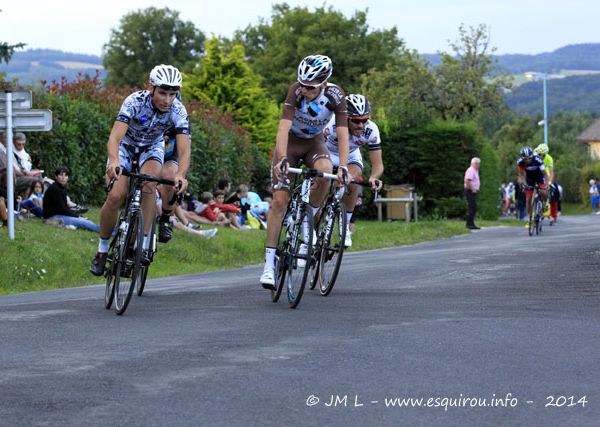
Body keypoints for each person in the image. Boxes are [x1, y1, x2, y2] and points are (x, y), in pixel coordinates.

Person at [90, 64, 190, 276]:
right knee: (116, 196)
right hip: (126, 146)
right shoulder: (135, 101)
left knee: (149, 184)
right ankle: (102, 250)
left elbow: (184, 148)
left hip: (151, 147)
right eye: (163, 93)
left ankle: (142, 244)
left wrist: (181, 173)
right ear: (150, 87)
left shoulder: (178, 110)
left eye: (173, 94)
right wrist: (114, 160)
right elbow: (115, 137)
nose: (167, 100)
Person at [260, 54, 350, 289]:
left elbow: (342, 133)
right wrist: (281, 159)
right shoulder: (295, 91)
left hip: (314, 143)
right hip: (290, 143)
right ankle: (269, 265)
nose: (303, 90)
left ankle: (308, 220)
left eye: (309, 87)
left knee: (326, 171)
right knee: (279, 202)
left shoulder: (335, 96)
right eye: (301, 83)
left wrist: (344, 166)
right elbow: (282, 129)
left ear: (323, 84)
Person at [323, 93, 384, 246]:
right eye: (356, 121)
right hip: (326, 152)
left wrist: (374, 177)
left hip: (350, 155)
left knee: (353, 180)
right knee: (320, 181)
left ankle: (346, 228)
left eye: (364, 120)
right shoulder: (330, 124)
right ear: (347, 117)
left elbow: (378, 164)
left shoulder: (371, 130)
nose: (361, 125)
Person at [43, 167, 99, 232]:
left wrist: (76, 216)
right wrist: (77, 216)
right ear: (56, 177)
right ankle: (110, 232)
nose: (63, 177)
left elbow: (64, 208)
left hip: (59, 215)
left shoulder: (60, 188)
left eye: (66, 175)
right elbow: (62, 209)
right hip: (53, 217)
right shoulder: (55, 189)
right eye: (61, 175)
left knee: (85, 221)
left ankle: (109, 231)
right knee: (85, 223)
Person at [517, 147, 550, 223]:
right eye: (525, 159)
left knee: (543, 192)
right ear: (522, 158)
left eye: (529, 158)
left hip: (539, 177)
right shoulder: (520, 162)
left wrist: (547, 184)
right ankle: (530, 218)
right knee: (528, 199)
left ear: (532, 156)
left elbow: (545, 174)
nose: (528, 160)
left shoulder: (538, 160)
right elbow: (521, 175)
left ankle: (545, 203)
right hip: (529, 179)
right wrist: (524, 184)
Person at [11, 132, 44, 197]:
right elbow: (11, 170)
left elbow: (25, 165)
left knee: (38, 175)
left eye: (23, 144)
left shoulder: (22, 151)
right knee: (35, 181)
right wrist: (25, 173)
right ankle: (28, 202)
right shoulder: (9, 150)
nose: (21, 146)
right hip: (14, 178)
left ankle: (39, 198)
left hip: (24, 173)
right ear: (14, 142)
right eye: (19, 144)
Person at [464, 157, 481, 230]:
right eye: (477, 163)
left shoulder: (475, 170)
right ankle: (469, 224)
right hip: (470, 191)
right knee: (472, 207)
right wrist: (472, 188)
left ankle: (471, 223)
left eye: (479, 164)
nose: (478, 165)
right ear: (474, 163)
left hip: (472, 191)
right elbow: (467, 180)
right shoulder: (471, 170)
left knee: (473, 207)